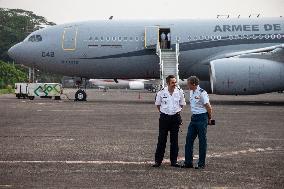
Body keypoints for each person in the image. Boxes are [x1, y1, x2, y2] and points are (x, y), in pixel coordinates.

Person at [152, 75, 186, 167]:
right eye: (173, 82)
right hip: (164, 118)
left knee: (174, 140)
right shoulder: (161, 92)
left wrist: (176, 112)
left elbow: (182, 104)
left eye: (175, 82)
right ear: (168, 83)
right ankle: (158, 161)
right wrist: (165, 112)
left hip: (175, 118)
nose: (175, 84)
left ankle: (174, 161)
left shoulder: (179, 92)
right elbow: (158, 105)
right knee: (161, 140)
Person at [181, 76, 213, 169]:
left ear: (193, 84)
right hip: (194, 118)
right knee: (189, 140)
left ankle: (201, 164)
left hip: (202, 117)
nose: (187, 85)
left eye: (188, 83)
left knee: (202, 141)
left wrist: (209, 118)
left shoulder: (202, 93)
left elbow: (208, 107)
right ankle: (188, 163)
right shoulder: (191, 92)